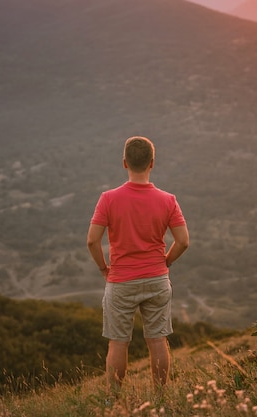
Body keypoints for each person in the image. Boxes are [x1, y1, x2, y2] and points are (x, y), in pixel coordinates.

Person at [86, 136, 189, 392]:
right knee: (157, 341)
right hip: (157, 278)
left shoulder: (108, 199)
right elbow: (184, 241)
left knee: (118, 344)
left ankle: (114, 400)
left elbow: (91, 241)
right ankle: (161, 397)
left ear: (124, 163)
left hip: (120, 280)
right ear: (152, 163)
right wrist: (165, 262)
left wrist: (103, 269)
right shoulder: (168, 200)